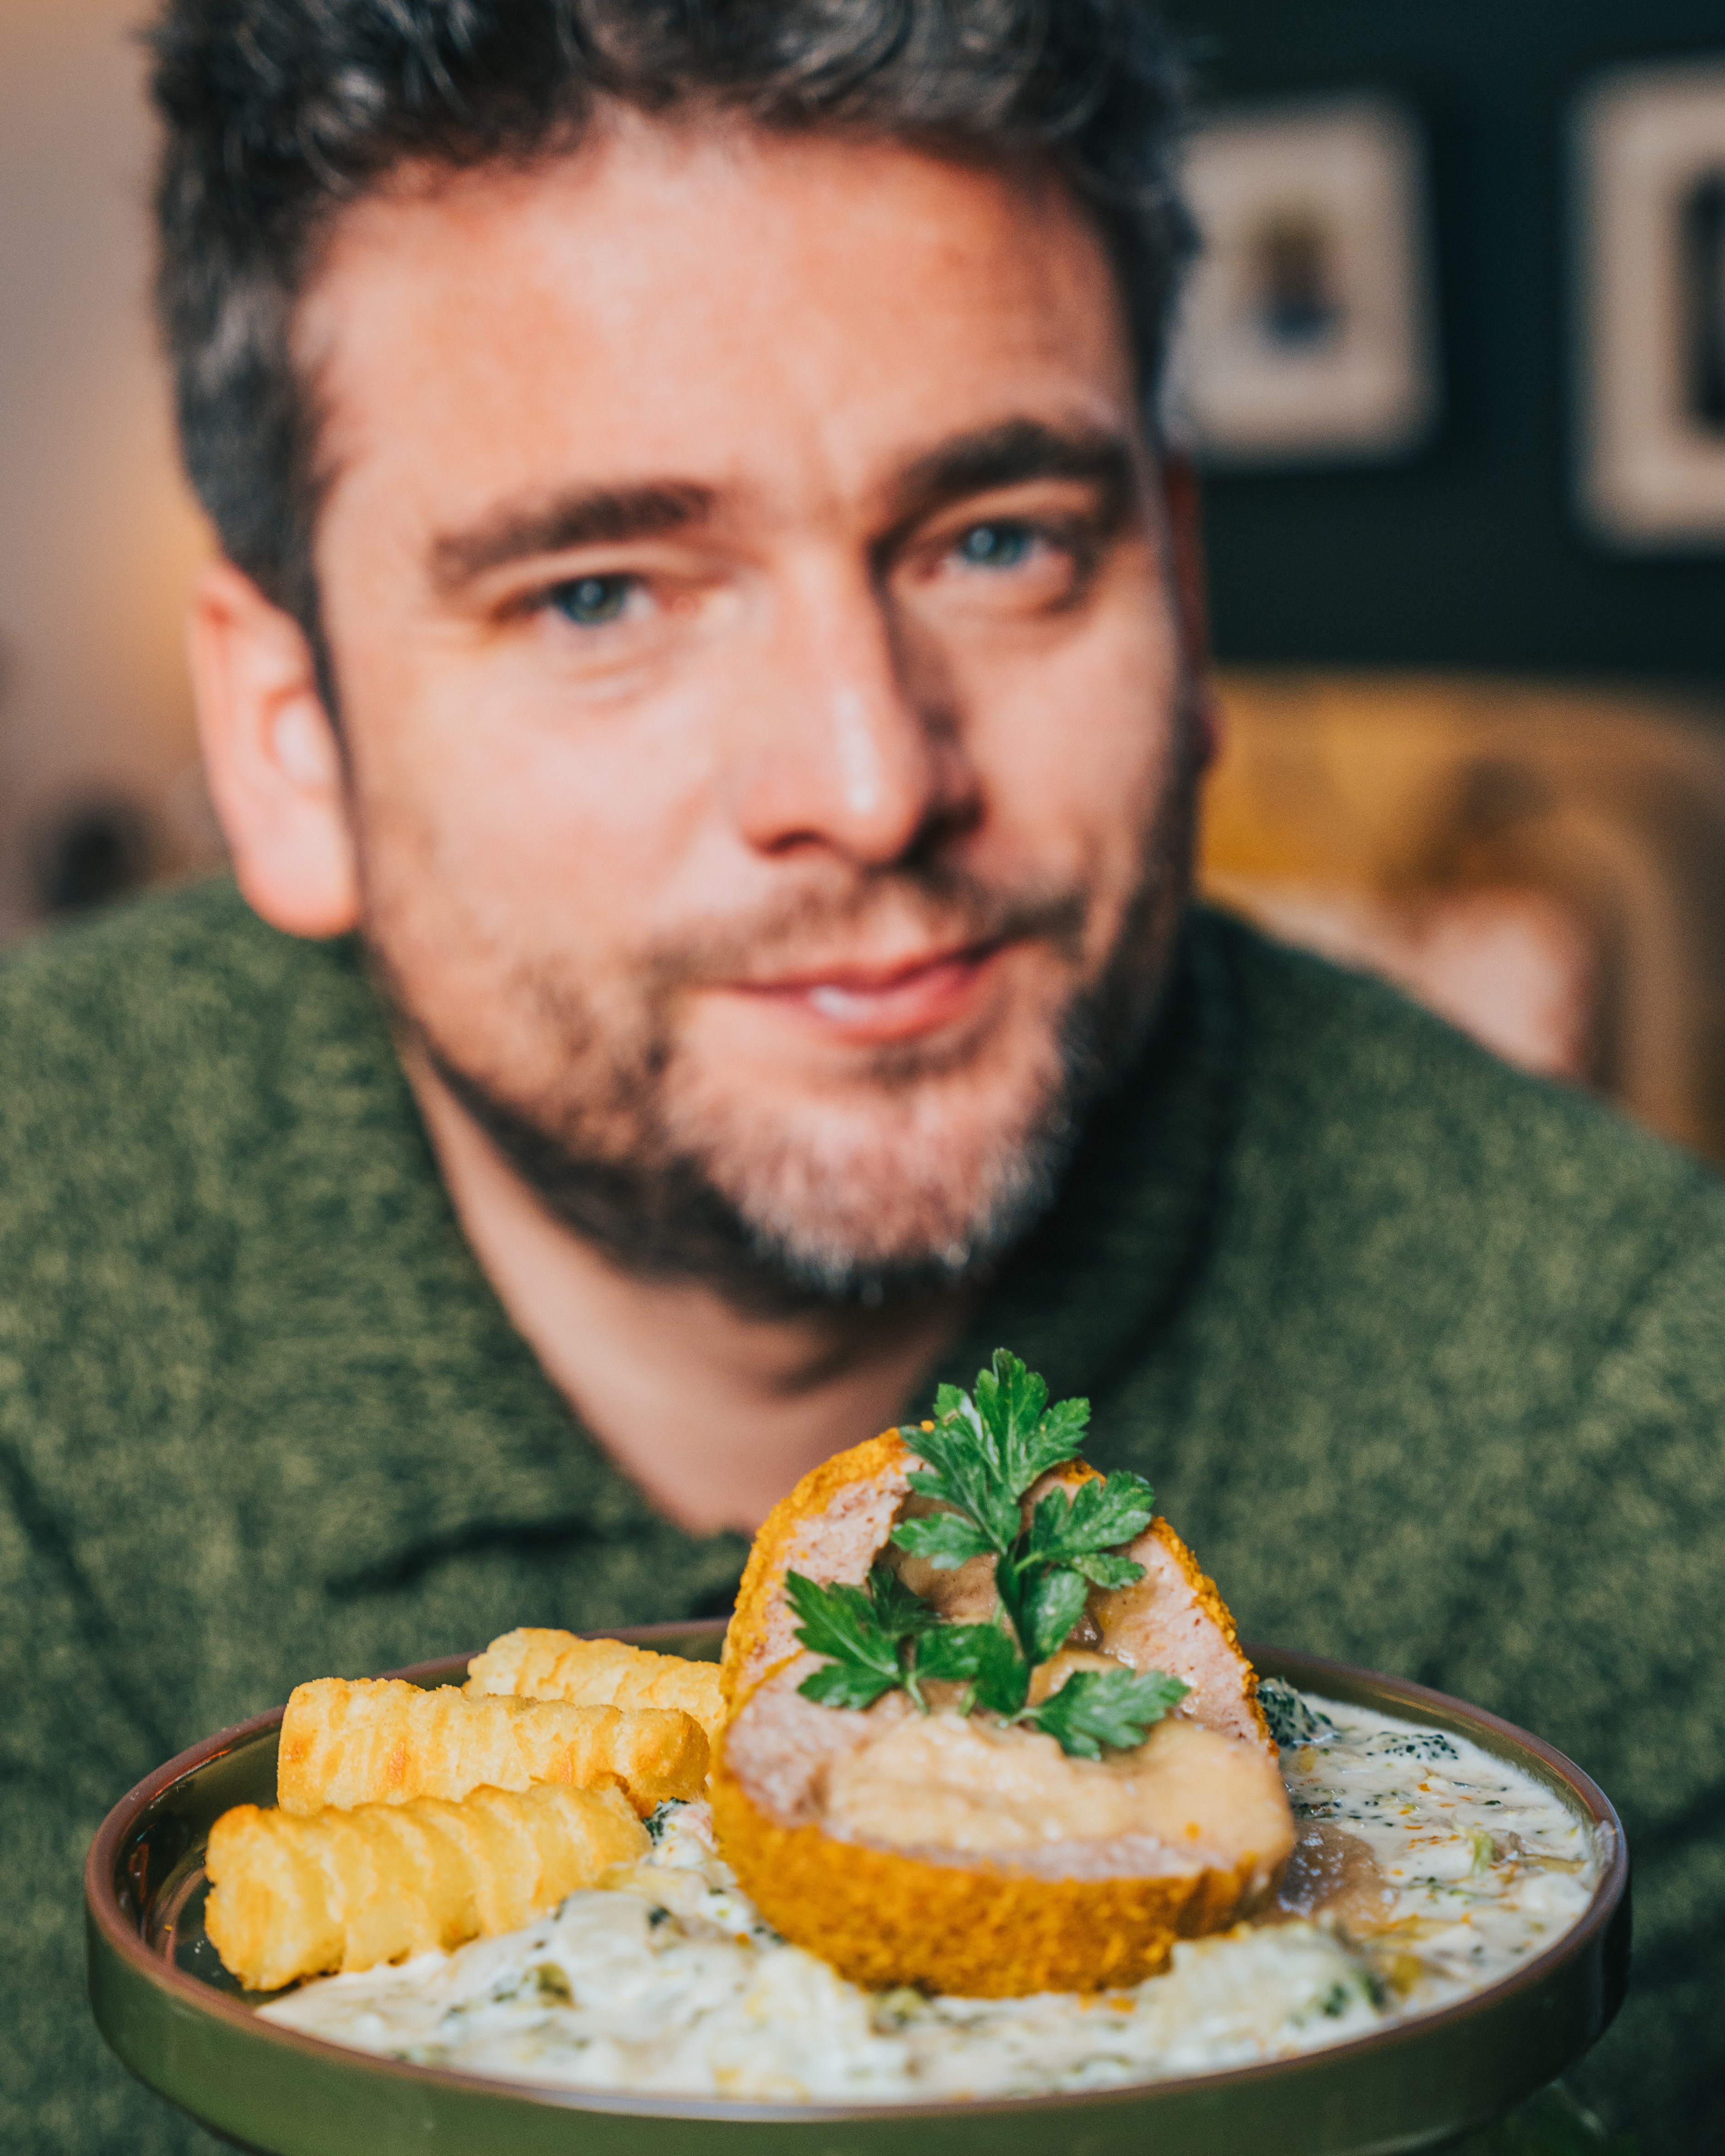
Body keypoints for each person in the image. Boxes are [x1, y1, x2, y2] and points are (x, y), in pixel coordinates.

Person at [1, 4, 1719, 2149]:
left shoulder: (1654, 1401)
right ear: (292, 746)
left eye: (998, 537)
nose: (870, 777)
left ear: (1181, 591)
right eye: (601, 587)